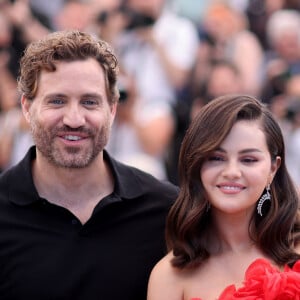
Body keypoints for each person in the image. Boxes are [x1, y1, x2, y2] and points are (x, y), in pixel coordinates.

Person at [0, 30, 179, 299]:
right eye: (57, 101)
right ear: (27, 107)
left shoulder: (166, 210)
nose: (74, 119)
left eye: (89, 102)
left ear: (112, 109)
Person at [147, 94, 300, 300]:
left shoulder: (295, 246)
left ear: (273, 168)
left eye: (248, 159)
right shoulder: (170, 275)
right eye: (216, 158)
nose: (232, 172)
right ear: (196, 165)